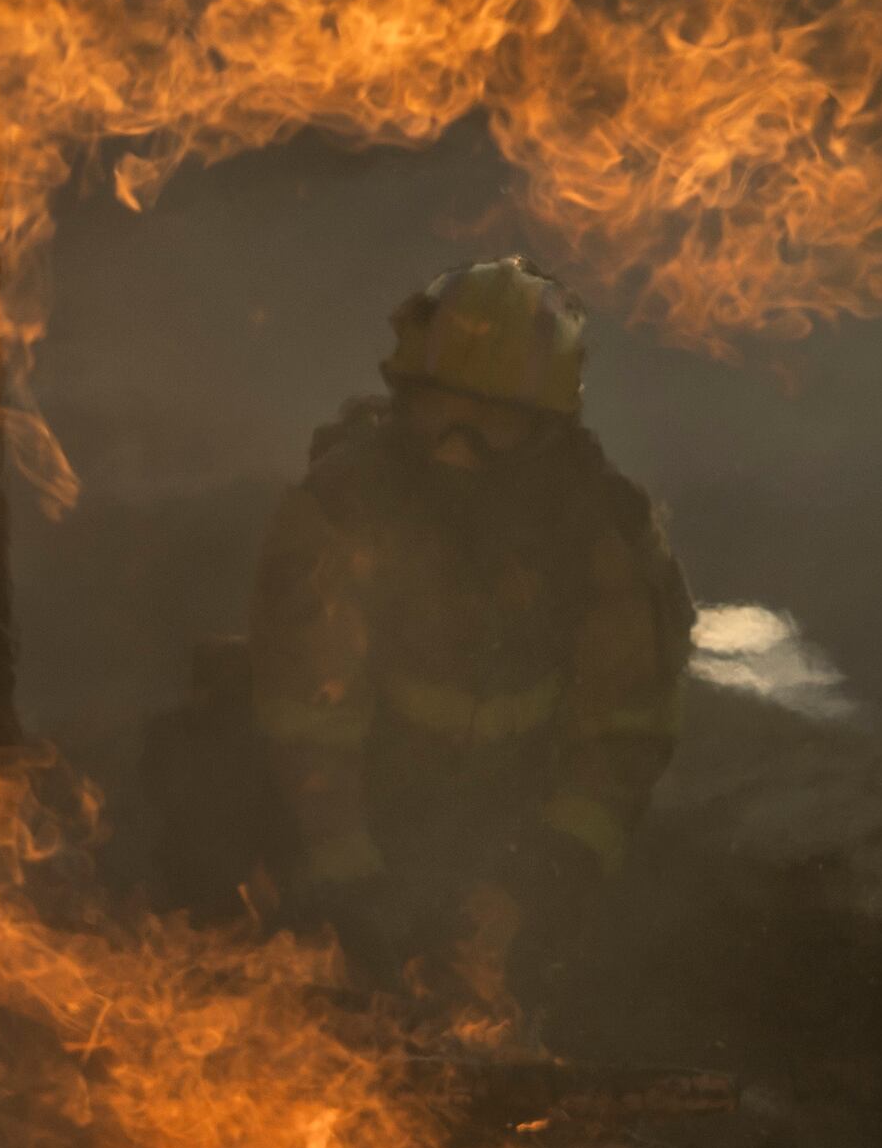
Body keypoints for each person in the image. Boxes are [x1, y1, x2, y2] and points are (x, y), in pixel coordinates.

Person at [237, 257, 693, 1009]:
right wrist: (351, 880)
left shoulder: (601, 535)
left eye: (493, 422)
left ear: (547, 431)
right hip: (358, 809)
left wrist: (543, 880)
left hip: (518, 823)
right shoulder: (344, 511)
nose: (458, 446)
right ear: (404, 400)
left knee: (576, 972)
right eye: (439, 410)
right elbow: (306, 723)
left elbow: (625, 733)